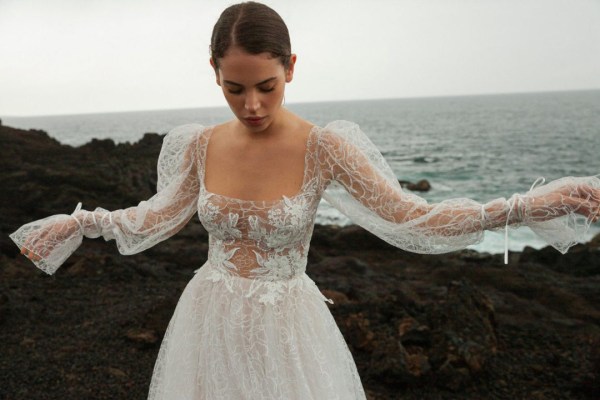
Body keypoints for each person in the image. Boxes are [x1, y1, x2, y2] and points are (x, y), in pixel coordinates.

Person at [10, 2, 600, 399]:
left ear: (291, 67)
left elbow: (411, 217)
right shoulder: (197, 144)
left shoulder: (326, 147)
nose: (252, 106)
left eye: (267, 86)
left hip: (288, 327)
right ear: (213, 72)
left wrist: (523, 208)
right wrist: (82, 222)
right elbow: (159, 214)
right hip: (208, 317)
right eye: (233, 88)